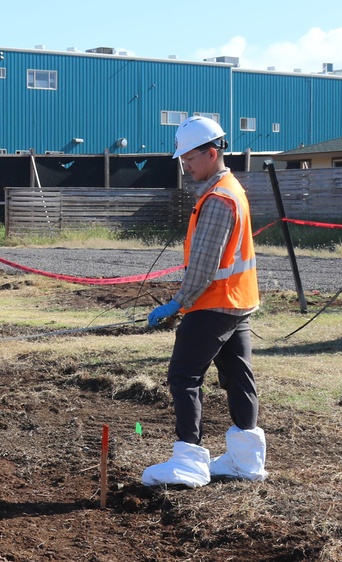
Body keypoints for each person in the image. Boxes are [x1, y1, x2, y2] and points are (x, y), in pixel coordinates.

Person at [142, 116, 268, 487]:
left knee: (183, 376)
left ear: (212, 153)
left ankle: (188, 462)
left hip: (212, 304)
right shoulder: (231, 189)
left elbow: (203, 267)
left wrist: (177, 304)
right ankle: (246, 460)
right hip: (238, 302)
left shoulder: (218, 199)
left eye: (190, 159)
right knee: (237, 377)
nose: (185, 166)